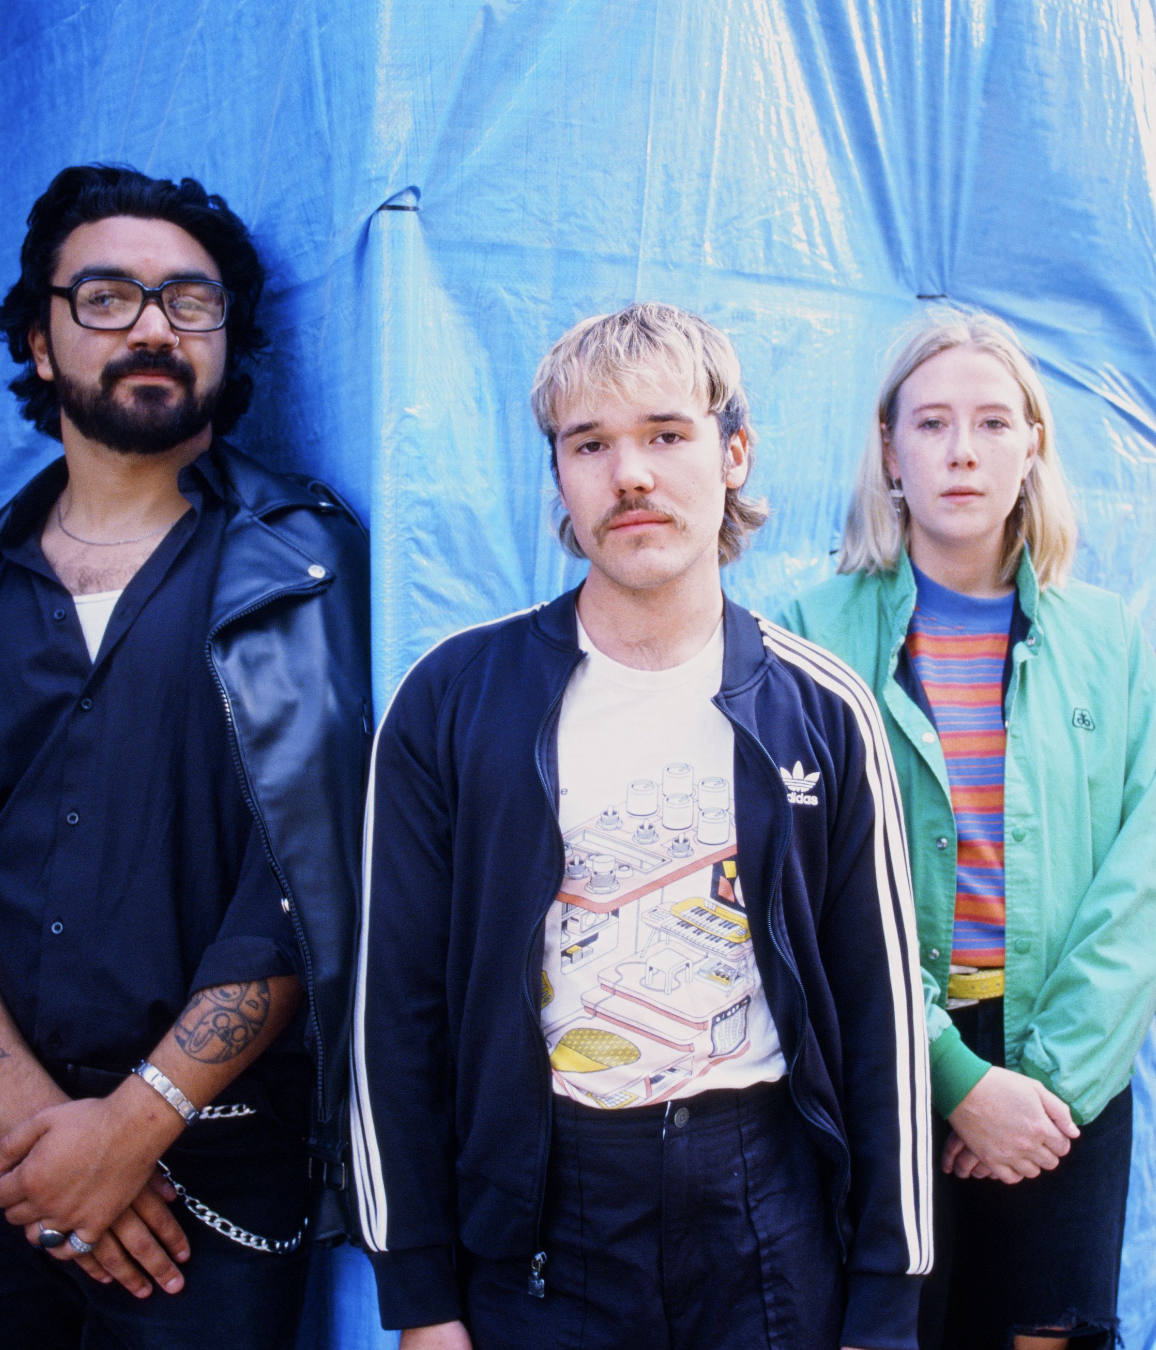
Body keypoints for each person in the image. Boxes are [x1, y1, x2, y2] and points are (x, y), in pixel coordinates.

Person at [0, 164, 374, 1349]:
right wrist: (47, 1140)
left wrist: (134, 1127)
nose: (153, 327)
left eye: (190, 301)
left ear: (229, 340)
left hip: (217, 1154)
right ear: (40, 340)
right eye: (106, 297)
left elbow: (311, 874)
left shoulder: (308, 567)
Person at [352, 302, 933, 1350]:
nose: (630, 475)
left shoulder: (822, 710)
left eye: (666, 434)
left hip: (765, 1213)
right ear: (559, 476)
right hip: (540, 1219)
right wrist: (421, 1298)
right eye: (590, 444)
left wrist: (884, 1306)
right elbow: (394, 1010)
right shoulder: (451, 700)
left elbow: (880, 1015)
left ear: (734, 453)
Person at [779, 309, 1156, 1350]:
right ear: (889, 451)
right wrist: (955, 1079)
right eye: (932, 423)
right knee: (885, 1331)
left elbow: (1140, 885)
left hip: (1064, 1062)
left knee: (1041, 1333)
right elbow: (809, 889)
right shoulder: (809, 637)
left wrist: (1040, 1087)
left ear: (1033, 446)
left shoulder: (1110, 644)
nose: (963, 450)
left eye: (994, 422)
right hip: (881, 1049)